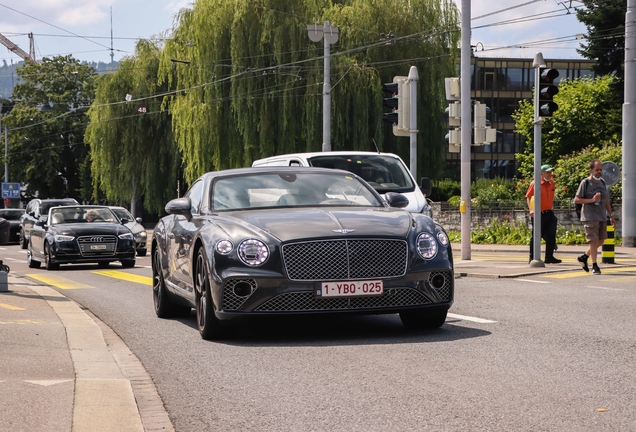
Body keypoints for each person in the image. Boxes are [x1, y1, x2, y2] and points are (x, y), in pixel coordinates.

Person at [574, 159, 616, 275]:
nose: (599, 172)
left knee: (601, 241)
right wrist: (592, 200)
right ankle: (595, 265)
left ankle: (584, 257)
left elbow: (606, 200)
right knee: (593, 241)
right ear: (591, 170)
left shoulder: (602, 182)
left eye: (601, 170)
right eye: (597, 170)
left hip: (602, 216)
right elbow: (577, 199)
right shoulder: (585, 182)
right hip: (590, 216)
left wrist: (611, 215)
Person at [525, 164, 561, 264]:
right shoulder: (535, 183)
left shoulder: (551, 183)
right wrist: (531, 210)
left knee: (551, 234)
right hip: (538, 213)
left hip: (549, 212)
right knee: (536, 235)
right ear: (541, 173)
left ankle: (549, 257)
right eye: (547, 172)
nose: (550, 174)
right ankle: (532, 257)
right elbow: (528, 196)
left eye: (550, 172)